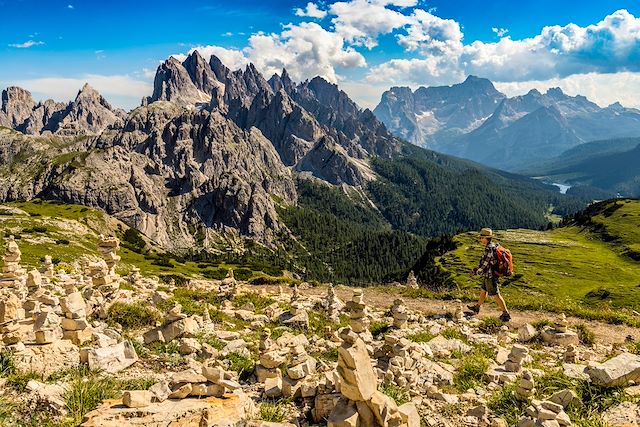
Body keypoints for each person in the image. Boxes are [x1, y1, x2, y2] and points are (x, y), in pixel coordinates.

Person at [467, 228, 511, 321]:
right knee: (483, 290)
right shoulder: (493, 246)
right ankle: (477, 307)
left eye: (482, 238)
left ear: (487, 238)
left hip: (491, 275)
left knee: (496, 294)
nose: (480, 239)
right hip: (488, 274)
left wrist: (476, 272)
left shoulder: (489, 249)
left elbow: (485, 264)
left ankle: (505, 313)